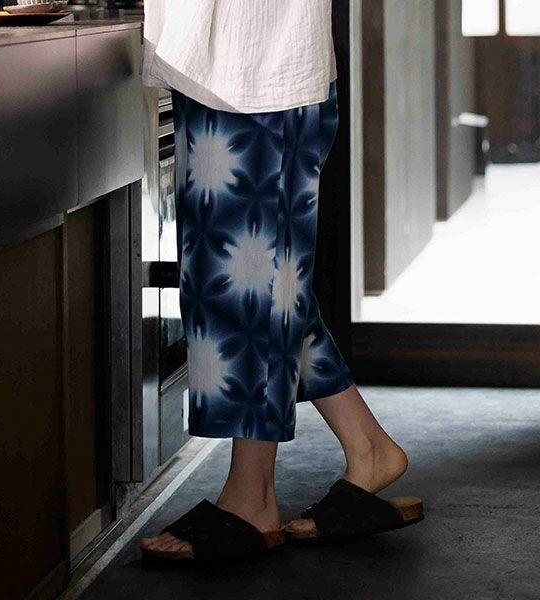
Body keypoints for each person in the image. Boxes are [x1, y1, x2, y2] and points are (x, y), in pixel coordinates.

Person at [140, 0, 423, 562]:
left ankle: (253, 496)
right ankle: (368, 448)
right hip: (229, 68)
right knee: (262, 285)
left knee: (249, 290)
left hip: (255, 72)